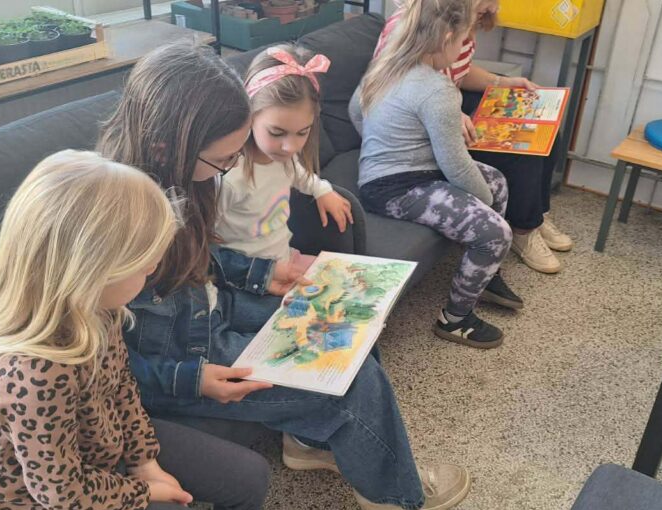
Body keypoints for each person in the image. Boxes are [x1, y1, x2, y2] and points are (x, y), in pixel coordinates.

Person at [97, 44, 472, 510]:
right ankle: (392, 496)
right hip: (185, 363)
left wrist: (262, 273)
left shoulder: (181, 178)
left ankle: (308, 440)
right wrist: (191, 379)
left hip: (211, 311)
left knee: (349, 324)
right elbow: (101, 359)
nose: (230, 169)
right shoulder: (113, 224)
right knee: (352, 384)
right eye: (223, 160)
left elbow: (199, 256)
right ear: (167, 146)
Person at [0, 150, 268, 510]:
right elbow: (59, 492)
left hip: (93, 452)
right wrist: (143, 494)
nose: (154, 269)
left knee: (251, 477)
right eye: (144, 264)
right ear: (91, 270)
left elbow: (121, 388)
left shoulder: (100, 308)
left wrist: (144, 461)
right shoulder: (33, 373)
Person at [353, 0, 575, 274]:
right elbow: (385, 87)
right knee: (520, 145)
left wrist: (503, 83)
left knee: (543, 128)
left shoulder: (457, 24)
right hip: (427, 119)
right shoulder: (412, 24)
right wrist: (447, 114)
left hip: (446, 101)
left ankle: (536, 215)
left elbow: (461, 70)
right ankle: (523, 228)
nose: (492, 11)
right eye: (484, 8)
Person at [356, 0, 522, 349]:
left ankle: (483, 273)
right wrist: (484, 206)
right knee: (496, 233)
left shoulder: (387, 64)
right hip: (395, 188)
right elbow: (456, 165)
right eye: (463, 40)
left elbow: (355, 110)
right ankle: (456, 320)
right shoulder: (438, 90)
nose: (466, 47)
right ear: (447, 38)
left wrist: (381, 145)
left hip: (402, 172)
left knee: (497, 180)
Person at [217, 44, 353, 278]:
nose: (291, 147)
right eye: (277, 133)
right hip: (249, 278)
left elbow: (298, 174)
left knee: (348, 278)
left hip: (286, 259)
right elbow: (205, 245)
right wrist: (259, 274)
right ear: (249, 115)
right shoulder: (230, 178)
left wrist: (321, 190)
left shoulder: (284, 158)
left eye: (302, 132)